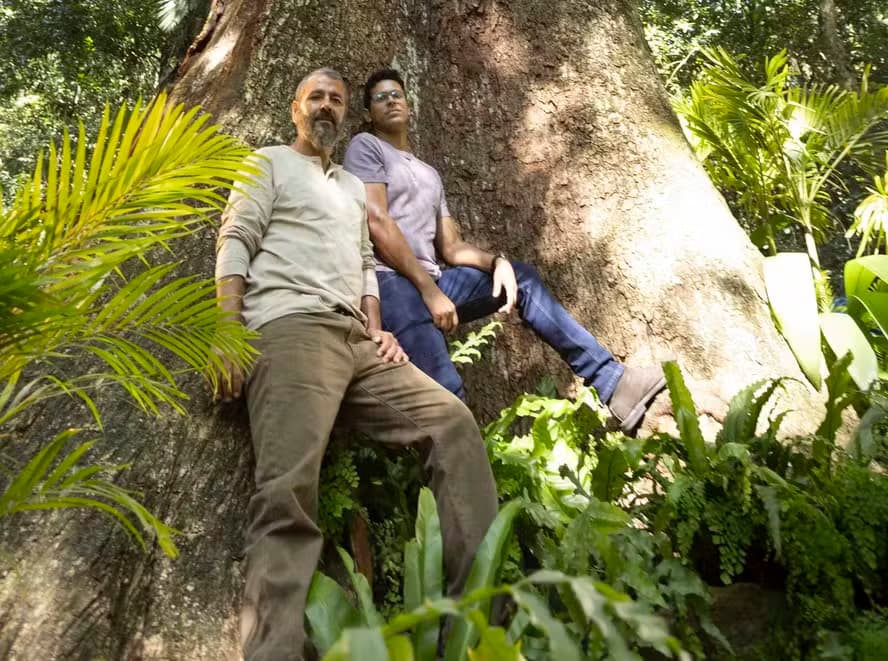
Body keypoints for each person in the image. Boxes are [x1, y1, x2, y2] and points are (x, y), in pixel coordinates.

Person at [214, 68, 498, 661]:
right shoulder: (266, 162)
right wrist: (226, 330)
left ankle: (475, 627)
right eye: (315, 96)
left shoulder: (348, 185)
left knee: (452, 424)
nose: (325, 106)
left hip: (360, 342)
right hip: (291, 329)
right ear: (295, 108)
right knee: (289, 492)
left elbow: (366, 265)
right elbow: (236, 238)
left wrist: (376, 329)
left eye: (336, 100)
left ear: (346, 116)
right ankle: (274, 651)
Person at [343, 68, 666, 432]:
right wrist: (429, 290)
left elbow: (450, 247)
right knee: (445, 392)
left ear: (409, 104)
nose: (390, 101)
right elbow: (377, 220)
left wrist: (497, 262)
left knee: (522, 278)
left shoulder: (429, 173)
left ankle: (613, 382)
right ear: (369, 113)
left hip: (432, 282)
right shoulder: (365, 147)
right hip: (391, 284)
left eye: (396, 94)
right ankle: (466, 482)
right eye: (380, 98)